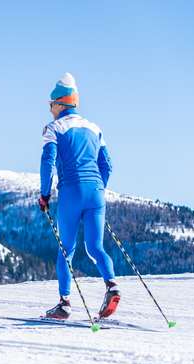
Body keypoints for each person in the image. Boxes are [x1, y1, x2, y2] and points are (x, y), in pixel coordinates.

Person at [39, 73, 120, 320]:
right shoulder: (95, 128)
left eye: (50, 104)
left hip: (71, 192)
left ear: (60, 103)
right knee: (96, 247)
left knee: (67, 249)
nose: (49, 109)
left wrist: (44, 194)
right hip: (96, 192)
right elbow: (107, 165)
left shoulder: (54, 128)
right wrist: (98, 189)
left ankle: (64, 304)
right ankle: (112, 286)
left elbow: (47, 161)